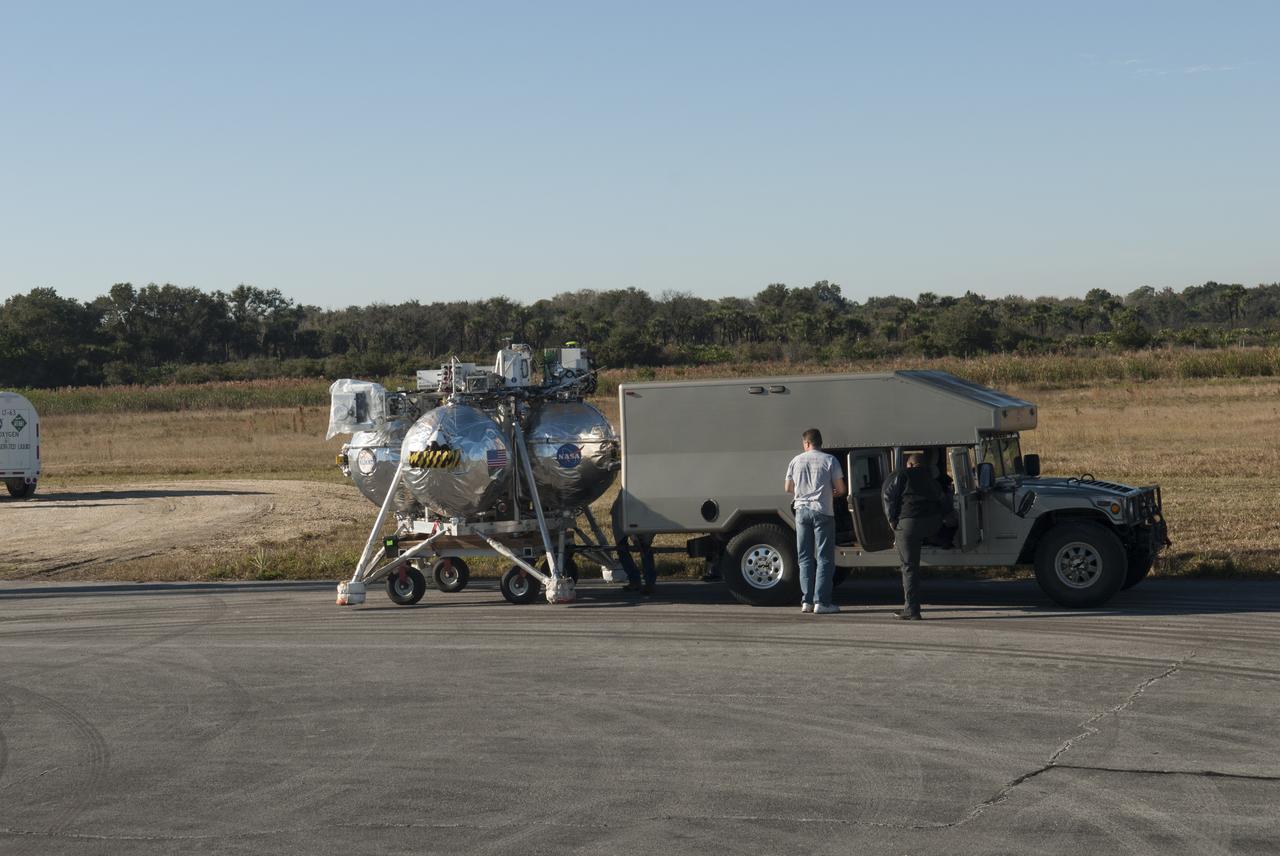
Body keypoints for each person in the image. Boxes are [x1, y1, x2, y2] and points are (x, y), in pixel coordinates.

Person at [785, 428, 847, 615]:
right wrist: (832, 492)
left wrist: (802, 493)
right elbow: (842, 489)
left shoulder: (796, 460)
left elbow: (788, 487)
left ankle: (807, 601)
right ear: (820, 442)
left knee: (804, 557)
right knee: (825, 558)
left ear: (806, 443)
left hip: (801, 511)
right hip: (823, 511)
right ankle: (822, 602)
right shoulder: (830, 460)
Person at [882, 452, 946, 620]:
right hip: (931, 523)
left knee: (909, 566)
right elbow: (941, 498)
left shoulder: (902, 474)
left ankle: (912, 610)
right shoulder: (931, 478)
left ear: (909, 464)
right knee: (916, 552)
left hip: (909, 523)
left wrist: (892, 521)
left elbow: (887, 496)